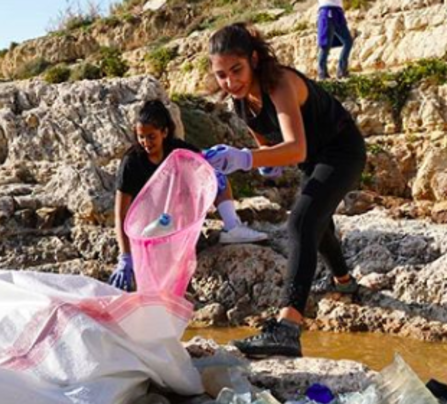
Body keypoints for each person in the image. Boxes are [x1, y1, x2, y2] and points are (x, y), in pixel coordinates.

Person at [204, 23, 366, 358]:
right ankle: (344, 282)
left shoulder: (279, 83)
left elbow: (296, 148)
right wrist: (263, 162)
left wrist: (244, 159)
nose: (231, 82)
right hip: (315, 159)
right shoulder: (240, 103)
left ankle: (288, 328)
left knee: (300, 223)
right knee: (318, 225)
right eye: (221, 75)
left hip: (342, 149)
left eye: (237, 70)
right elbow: (267, 145)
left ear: (253, 59)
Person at [109, 99, 268, 292]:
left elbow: (202, 160)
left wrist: (218, 158)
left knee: (216, 176)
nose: (146, 143)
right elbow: (121, 214)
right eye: (141, 137)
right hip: (148, 222)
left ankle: (232, 227)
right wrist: (125, 257)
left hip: (173, 214)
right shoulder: (131, 162)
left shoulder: (176, 149)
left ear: (164, 132)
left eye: (151, 137)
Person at [317, 0, 353, 80]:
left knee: (348, 41)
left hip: (338, 12)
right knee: (325, 44)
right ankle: (322, 73)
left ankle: (341, 70)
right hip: (327, 10)